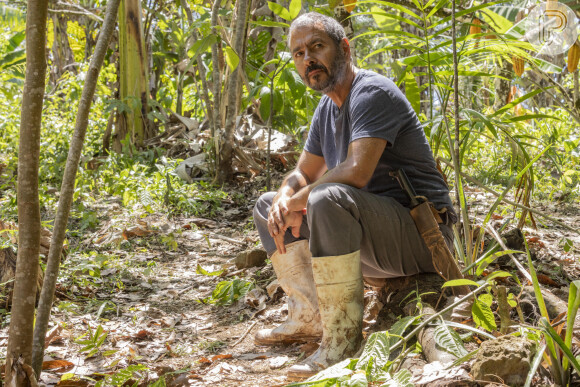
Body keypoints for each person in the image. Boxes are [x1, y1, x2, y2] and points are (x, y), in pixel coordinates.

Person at [252, 12, 456, 380]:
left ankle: (343, 341)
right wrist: (286, 196)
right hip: (372, 241)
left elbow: (356, 172)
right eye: (298, 53)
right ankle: (310, 318)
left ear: (343, 48)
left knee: (325, 197)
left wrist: (301, 201)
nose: (308, 59)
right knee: (268, 205)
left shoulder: (372, 92)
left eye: (317, 47)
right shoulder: (326, 107)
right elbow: (302, 173)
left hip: (424, 239)